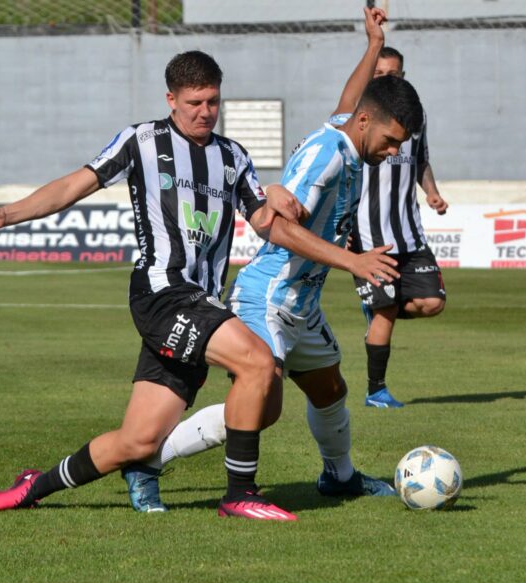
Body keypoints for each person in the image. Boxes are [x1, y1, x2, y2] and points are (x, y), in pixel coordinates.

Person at [0, 50, 398, 521]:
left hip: (202, 303)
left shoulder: (232, 156)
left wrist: (275, 197)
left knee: (137, 441)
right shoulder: (142, 140)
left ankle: (35, 485)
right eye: (194, 102)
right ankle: (240, 493)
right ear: (171, 99)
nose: (205, 112)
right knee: (258, 362)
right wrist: (8, 213)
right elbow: (77, 184)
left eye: (213, 102)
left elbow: (266, 224)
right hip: (162, 292)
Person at [121, 11, 424, 512]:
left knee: (330, 388)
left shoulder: (349, 134)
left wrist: (372, 45)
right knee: (261, 408)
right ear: (369, 125)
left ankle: (340, 477)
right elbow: (284, 228)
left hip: (302, 301)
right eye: (390, 141)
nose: (392, 152)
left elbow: (350, 106)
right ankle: (148, 458)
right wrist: (353, 261)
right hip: (268, 295)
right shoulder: (326, 158)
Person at [330, 45, 449, 408]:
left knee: (432, 303)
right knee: (383, 312)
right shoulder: (357, 116)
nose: (385, 79)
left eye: (393, 75)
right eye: (378, 74)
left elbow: (421, 161)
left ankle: (381, 307)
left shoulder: (416, 115)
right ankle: (376, 391)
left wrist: (432, 193)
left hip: (410, 233)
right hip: (368, 237)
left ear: (403, 76)